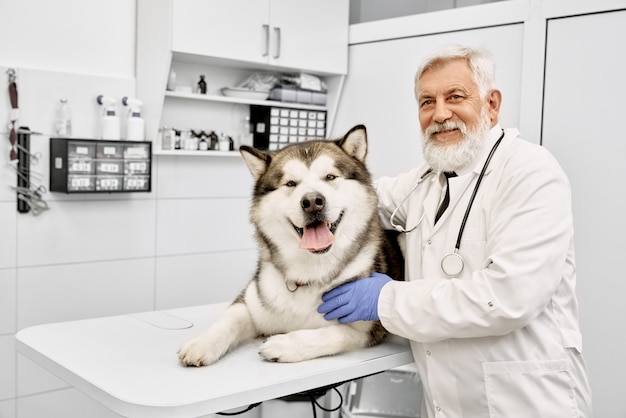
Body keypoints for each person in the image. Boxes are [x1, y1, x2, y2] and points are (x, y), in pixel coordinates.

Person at [318, 44, 593, 417]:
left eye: (455, 97)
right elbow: (362, 199)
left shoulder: (530, 172)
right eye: (426, 102)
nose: (440, 114)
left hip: (526, 401)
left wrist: (385, 300)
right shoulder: (424, 181)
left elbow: (508, 298)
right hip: (446, 404)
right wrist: (308, 191)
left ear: (491, 104)